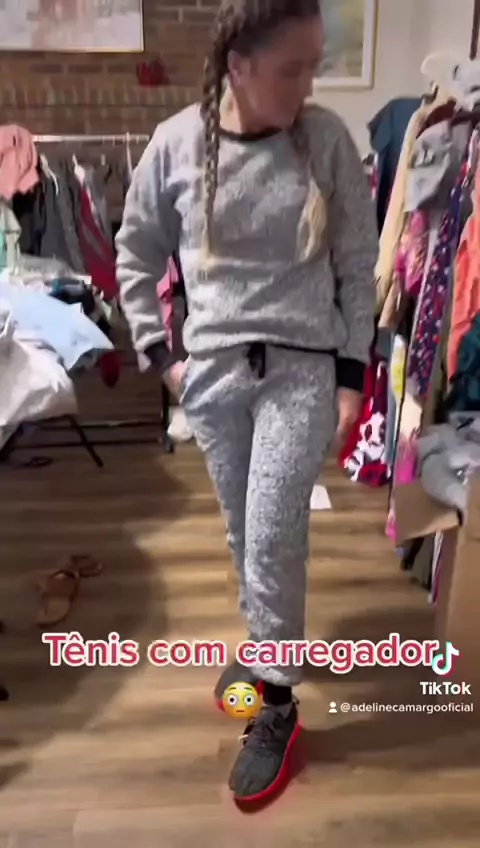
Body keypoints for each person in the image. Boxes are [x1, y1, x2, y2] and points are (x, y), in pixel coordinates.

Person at [115, 0, 378, 803]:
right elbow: (135, 254)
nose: (308, 86)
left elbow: (356, 262)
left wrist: (351, 374)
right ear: (238, 66)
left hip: (301, 372)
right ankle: (269, 647)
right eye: (292, 69)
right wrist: (163, 359)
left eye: (313, 67)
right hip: (214, 379)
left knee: (271, 535)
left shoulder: (325, 140)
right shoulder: (175, 145)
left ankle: (277, 704)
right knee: (243, 531)